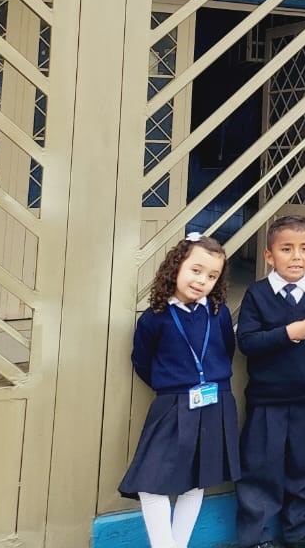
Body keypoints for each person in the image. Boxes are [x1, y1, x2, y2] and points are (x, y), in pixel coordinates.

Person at [119, 234, 239, 548]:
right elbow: (142, 360)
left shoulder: (219, 314)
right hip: (172, 404)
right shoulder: (155, 318)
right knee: (150, 483)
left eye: (211, 276)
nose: (202, 281)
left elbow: (227, 350)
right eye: (195, 270)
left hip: (214, 403)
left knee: (196, 481)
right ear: (176, 267)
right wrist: (171, 387)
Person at [235, 216, 305, 548]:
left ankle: (303, 529)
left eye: (304, 249)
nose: (296, 256)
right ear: (269, 255)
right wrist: (285, 334)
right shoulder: (257, 294)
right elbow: (247, 342)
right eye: (286, 249)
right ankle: (256, 536)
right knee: (260, 469)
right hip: (266, 401)